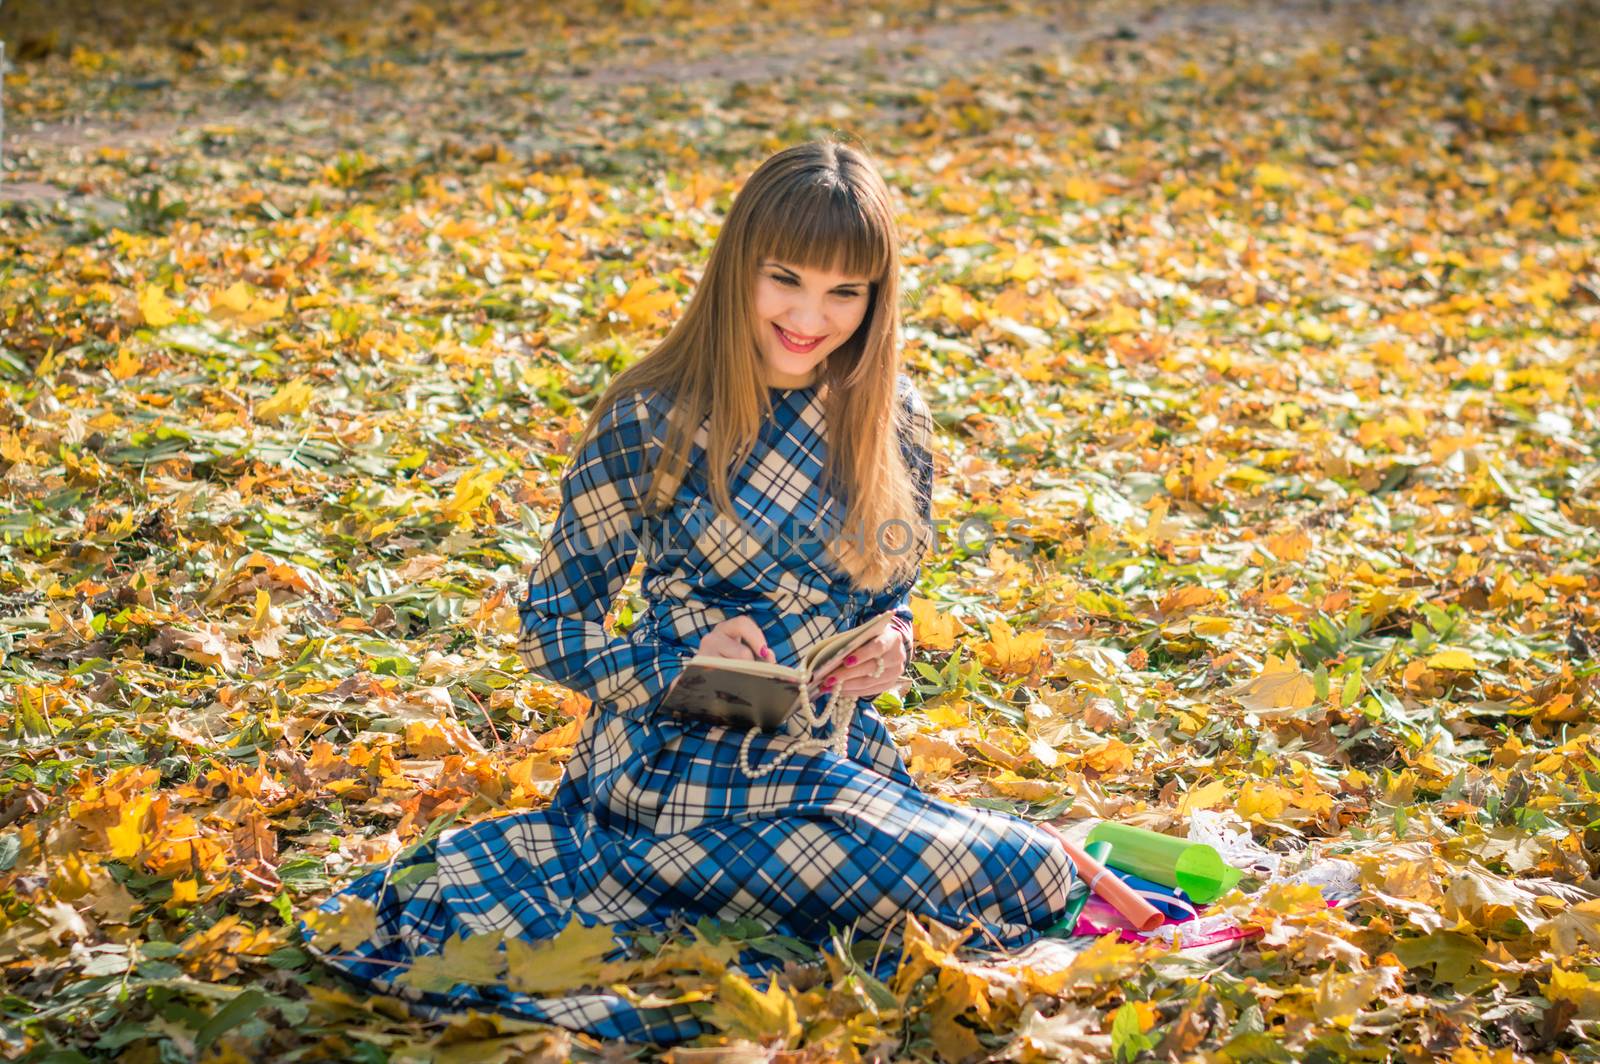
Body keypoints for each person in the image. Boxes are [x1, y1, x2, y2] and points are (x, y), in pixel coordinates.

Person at [303, 137, 1078, 1045]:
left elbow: (887, 596)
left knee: (1033, 871)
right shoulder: (653, 416)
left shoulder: (891, 415)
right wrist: (682, 665)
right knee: (1005, 871)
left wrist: (892, 643)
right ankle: (679, 874)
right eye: (784, 278)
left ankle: (801, 873)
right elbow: (549, 628)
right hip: (667, 768)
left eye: (844, 292)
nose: (808, 315)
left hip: (827, 755)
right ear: (738, 267)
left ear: (876, 298)